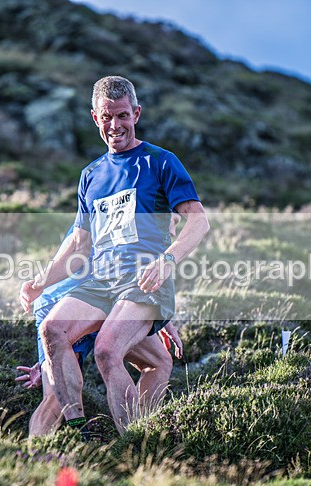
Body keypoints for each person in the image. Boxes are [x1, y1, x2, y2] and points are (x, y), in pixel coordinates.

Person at [20, 75, 209, 434]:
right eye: (107, 117)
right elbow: (78, 243)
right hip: (100, 281)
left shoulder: (161, 161)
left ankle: (133, 443)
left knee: (107, 351)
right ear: (95, 118)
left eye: (122, 116)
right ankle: (80, 429)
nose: (115, 125)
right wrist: (40, 284)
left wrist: (167, 260)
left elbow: (198, 224)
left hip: (143, 279)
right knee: (52, 329)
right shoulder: (90, 175)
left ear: (136, 113)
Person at [15, 229, 184, 437]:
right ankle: (35, 455)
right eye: (171, 221)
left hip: (105, 300)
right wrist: (56, 352)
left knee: (159, 361)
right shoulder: (115, 212)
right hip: (72, 300)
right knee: (55, 398)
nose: (172, 230)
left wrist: (162, 320)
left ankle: (141, 435)